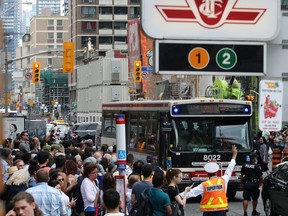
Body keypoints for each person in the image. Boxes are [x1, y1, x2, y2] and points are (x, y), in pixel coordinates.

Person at [182, 145, 237, 216]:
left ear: (207, 173)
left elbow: (191, 193)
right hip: (222, 212)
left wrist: (176, 196)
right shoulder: (223, 180)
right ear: (217, 171)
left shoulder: (204, 185)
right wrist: (234, 155)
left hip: (208, 213)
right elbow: (230, 168)